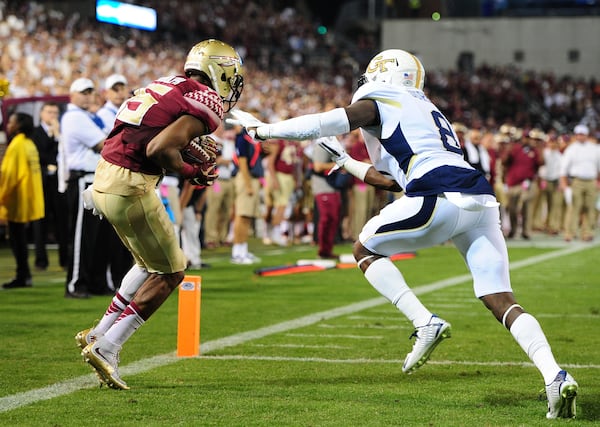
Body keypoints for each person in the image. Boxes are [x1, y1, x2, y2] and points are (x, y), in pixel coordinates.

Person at [229, 49, 578, 419]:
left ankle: (424, 321)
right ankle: (554, 374)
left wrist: (263, 130)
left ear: (382, 73)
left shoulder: (380, 97)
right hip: (479, 199)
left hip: (436, 194)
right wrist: (346, 162)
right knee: (501, 298)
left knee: (364, 248)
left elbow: (322, 123)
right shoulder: (427, 108)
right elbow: (395, 180)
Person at [75, 39, 244, 390]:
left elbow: (147, 133)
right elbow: (159, 147)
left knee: (146, 263)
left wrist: (187, 149)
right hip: (130, 184)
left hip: (104, 177)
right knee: (171, 272)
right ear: (221, 71)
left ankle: (99, 332)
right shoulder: (207, 99)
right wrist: (189, 170)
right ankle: (108, 347)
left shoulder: (167, 83)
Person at [61, 77, 111, 298]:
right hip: (83, 180)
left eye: (91, 92)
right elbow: (104, 144)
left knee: (98, 237)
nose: (88, 96)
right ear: (72, 95)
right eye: (83, 92)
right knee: (82, 237)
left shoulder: (87, 117)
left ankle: (96, 282)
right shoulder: (74, 117)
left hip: (95, 179)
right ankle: (76, 283)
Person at [0, 112, 44, 288]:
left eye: (11, 122)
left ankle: (22, 275)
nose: (8, 125)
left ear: (18, 125)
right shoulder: (29, 144)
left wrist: (1, 196)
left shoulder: (17, 145)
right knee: (21, 238)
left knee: (17, 239)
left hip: (17, 199)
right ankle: (24, 275)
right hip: (29, 196)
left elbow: (10, 176)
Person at [31, 102, 68, 270]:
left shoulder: (62, 133)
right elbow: (40, 154)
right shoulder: (34, 133)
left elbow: (65, 153)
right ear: (41, 114)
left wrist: (57, 135)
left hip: (59, 184)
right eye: (49, 112)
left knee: (62, 222)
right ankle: (41, 260)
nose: (52, 115)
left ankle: (65, 259)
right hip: (41, 184)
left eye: (55, 112)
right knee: (41, 223)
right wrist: (53, 138)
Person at [230, 125, 264, 264]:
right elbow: (242, 162)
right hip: (246, 178)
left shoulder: (252, 139)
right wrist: (248, 184)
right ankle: (237, 252)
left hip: (252, 178)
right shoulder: (242, 139)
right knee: (242, 215)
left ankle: (243, 250)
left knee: (247, 216)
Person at [559, 124, 600, 242]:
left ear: (586, 135)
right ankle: (569, 233)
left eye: (582, 134)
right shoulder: (571, 149)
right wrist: (565, 186)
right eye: (578, 134)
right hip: (577, 180)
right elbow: (564, 169)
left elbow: (598, 167)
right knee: (574, 207)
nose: (580, 137)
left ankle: (587, 232)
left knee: (590, 208)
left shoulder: (594, 148)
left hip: (591, 180)